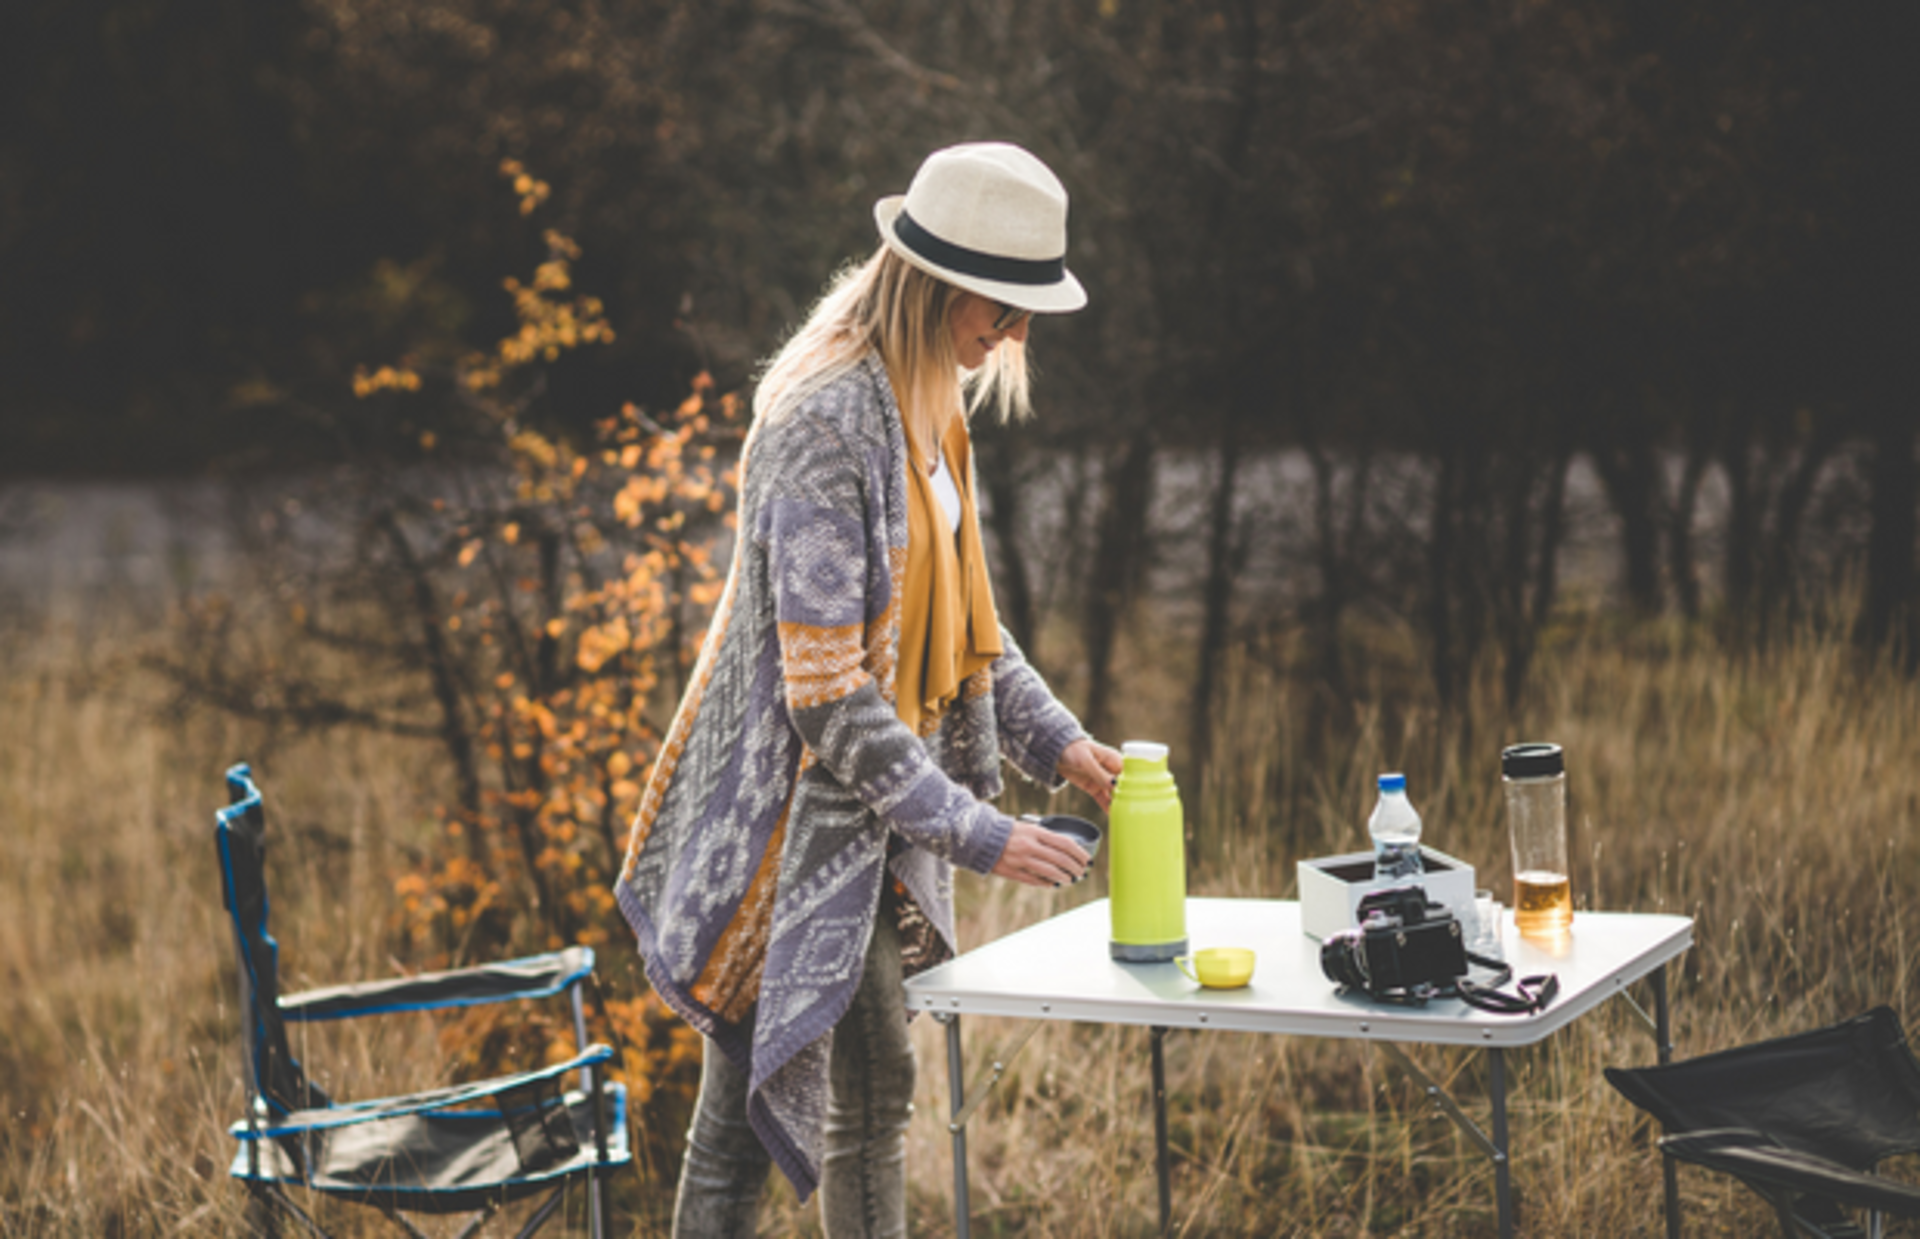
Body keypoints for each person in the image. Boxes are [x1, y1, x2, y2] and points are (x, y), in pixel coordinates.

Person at [613, 141, 1122, 1238]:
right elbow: (830, 692)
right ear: (940, 284)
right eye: (1007, 304)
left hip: (862, 815)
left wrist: (1061, 744)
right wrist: (979, 831)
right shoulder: (825, 423)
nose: (1019, 333)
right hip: (782, 831)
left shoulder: (931, 400)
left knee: (856, 1094)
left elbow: (962, 623)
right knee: (766, 1120)